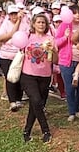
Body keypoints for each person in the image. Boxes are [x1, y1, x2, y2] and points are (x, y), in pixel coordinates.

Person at [20, 14, 58, 143]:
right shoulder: (28, 36)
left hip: (45, 76)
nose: (41, 25)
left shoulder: (50, 39)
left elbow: (55, 60)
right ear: (34, 24)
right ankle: (45, 130)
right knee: (36, 100)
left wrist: (54, 51)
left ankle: (27, 131)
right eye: (39, 22)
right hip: (28, 74)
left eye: (43, 22)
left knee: (35, 104)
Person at [0, 5, 29, 111]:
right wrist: (11, 33)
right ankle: (12, 101)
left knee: (19, 77)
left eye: (16, 13)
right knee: (10, 77)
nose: (14, 16)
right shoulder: (5, 24)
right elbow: (0, 37)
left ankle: (18, 98)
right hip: (6, 55)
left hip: (19, 55)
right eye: (12, 14)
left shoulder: (25, 24)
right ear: (8, 15)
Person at [56, 4, 79, 121]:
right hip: (66, 62)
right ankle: (71, 111)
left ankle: (78, 109)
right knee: (70, 87)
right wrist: (65, 37)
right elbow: (55, 42)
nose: (78, 15)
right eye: (75, 13)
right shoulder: (64, 26)